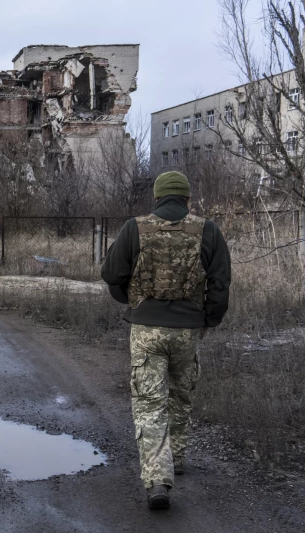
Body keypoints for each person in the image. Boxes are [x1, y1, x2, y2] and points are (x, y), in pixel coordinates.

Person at [101, 171, 231, 510]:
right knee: (180, 394)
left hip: (146, 330)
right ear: (188, 199)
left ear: (157, 198)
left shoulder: (135, 227)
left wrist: (128, 299)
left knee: (149, 402)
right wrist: (209, 319)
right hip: (188, 330)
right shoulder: (208, 230)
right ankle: (177, 457)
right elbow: (220, 283)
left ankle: (158, 479)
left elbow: (112, 274)